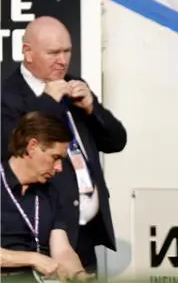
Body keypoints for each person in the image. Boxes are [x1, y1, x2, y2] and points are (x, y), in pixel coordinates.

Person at [1, 16, 127, 272]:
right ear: (28, 52)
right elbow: (11, 148)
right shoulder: (8, 94)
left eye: (67, 51)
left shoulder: (74, 86)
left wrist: (93, 109)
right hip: (44, 236)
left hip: (86, 234)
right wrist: (46, 103)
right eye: (53, 52)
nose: (62, 60)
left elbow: (116, 141)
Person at [0, 112, 90, 281]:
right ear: (32, 146)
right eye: (55, 158)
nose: (59, 168)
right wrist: (33, 258)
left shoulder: (50, 192)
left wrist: (79, 274)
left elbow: (62, 249)